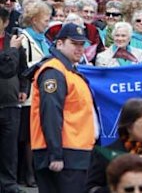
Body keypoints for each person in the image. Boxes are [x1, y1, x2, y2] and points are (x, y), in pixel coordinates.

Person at [27, 23, 97, 193]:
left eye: (82, 44)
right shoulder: (54, 71)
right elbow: (50, 114)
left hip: (74, 152)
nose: (80, 49)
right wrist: (55, 154)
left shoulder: (69, 71)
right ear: (59, 43)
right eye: (74, 43)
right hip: (64, 154)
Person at [0, 7, 27, 193]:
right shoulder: (13, 46)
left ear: (5, 22)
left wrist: (24, 87)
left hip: (10, 102)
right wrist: (11, 50)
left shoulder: (14, 41)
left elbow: (22, 68)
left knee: (9, 150)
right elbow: (3, 67)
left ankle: (9, 185)